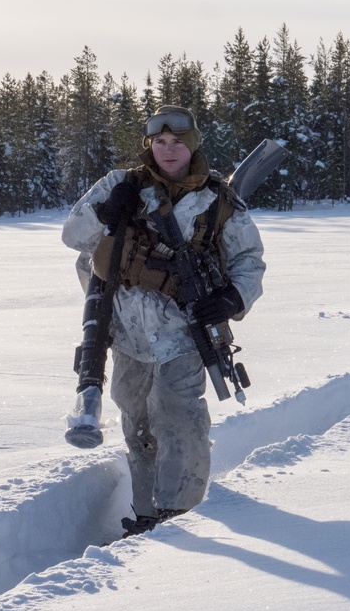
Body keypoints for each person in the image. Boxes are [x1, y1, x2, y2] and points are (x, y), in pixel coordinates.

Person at [61, 105, 266, 537]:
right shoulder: (120, 184)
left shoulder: (217, 201)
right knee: (137, 423)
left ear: (192, 147)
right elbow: (73, 237)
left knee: (178, 420)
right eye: (159, 142)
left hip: (183, 334)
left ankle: (178, 515)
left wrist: (232, 297)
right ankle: (145, 513)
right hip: (126, 333)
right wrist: (105, 211)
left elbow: (249, 261)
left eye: (177, 143)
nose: (168, 151)